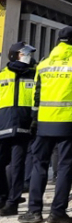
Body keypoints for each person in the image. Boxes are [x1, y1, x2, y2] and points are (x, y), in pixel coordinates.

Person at [20, 27, 72, 223]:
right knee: (65, 167)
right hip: (69, 122)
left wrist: (34, 119)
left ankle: (34, 212)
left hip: (44, 122)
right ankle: (57, 212)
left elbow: (35, 95)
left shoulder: (44, 64)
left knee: (39, 165)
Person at [0, 43, 36, 216]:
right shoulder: (2, 75)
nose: (28, 57)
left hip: (24, 125)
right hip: (3, 124)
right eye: (25, 54)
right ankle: (2, 196)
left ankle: (12, 201)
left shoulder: (34, 75)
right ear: (15, 55)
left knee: (17, 166)